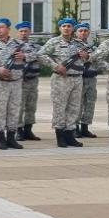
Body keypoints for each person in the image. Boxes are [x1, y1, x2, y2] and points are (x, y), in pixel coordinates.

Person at [0, 18, 32, 150]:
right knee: (0, 111)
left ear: (8, 29)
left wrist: (25, 56)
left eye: (1, 27)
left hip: (16, 83)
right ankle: (1, 138)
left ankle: (11, 138)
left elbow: (36, 54)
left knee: (14, 111)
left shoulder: (18, 43)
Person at [38, 18, 88, 148]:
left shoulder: (79, 43)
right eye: (64, 26)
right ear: (60, 28)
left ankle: (70, 135)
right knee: (60, 108)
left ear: (73, 29)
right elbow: (41, 55)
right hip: (61, 79)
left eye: (69, 26)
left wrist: (86, 56)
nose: (66, 28)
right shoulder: (54, 42)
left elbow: (89, 56)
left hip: (77, 78)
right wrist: (55, 66)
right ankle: (60, 136)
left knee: (74, 107)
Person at [15, 22, 42, 141]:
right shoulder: (13, 45)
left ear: (30, 32)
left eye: (26, 31)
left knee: (31, 106)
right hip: (19, 80)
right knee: (19, 106)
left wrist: (25, 56)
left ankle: (28, 129)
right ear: (17, 32)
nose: (23, 33)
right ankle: (18, 130)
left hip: (33, 79)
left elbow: (41, 55)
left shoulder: (35, 45)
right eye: (21, 31)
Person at [74, 23, 100, 139]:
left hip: (91, 78)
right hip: (79, 77)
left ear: (88, 32)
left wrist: (88, 56)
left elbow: (99, 57)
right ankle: (75, 127)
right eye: (80, 31)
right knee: (77, 104)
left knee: (90, 103)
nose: (83, 33)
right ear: (76, 32)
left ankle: (85, 127)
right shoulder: (72, 45)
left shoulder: (93, 47)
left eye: (85, 31)